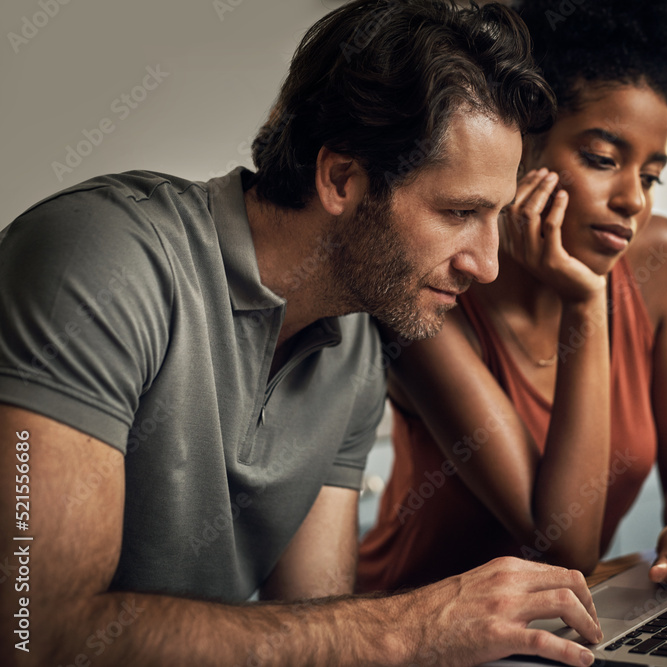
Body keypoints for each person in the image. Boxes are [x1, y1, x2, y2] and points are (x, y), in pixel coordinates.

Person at [0, 2, 605, 666]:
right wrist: (415, 624)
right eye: (460, 211)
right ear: (341, 178)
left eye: (495, 217)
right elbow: (34, 631)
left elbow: (319, 629)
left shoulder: (355, 351)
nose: (487, 264)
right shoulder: (101, 261)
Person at [358, 0, 667, 610]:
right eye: (603, 160)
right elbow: (562, 548)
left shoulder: (658, 258)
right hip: (412, 629)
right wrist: (586, 301)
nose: (633, 199)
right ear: (523, 147)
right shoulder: (435, 290)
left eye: (651, 175)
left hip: (553, 622)